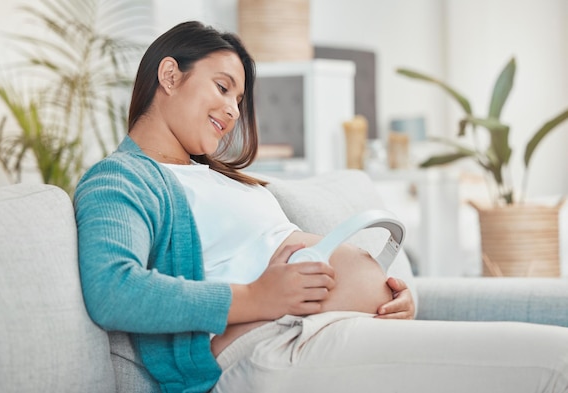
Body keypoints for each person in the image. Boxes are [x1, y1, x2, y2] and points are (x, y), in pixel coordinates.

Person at [74, 21, 568, 393]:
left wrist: (388, 300)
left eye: (239, 99)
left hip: (323, 330)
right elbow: (113, 289)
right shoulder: (123, 178)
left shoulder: (210, 176)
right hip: (272, 347)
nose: (232, 110)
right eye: (223, 87)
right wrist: (256, 298)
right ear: (169, 75)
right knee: (554, 362)